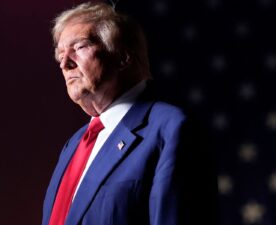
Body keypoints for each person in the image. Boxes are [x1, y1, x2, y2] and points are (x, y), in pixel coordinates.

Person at [42, 2, 216, 225]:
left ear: (123, 56)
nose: (65, 63)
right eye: (60, 54)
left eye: (79, 47)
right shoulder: (73, 145)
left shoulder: (171, 129)